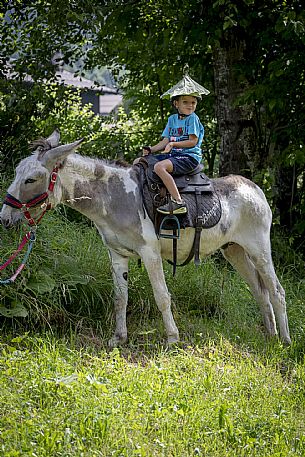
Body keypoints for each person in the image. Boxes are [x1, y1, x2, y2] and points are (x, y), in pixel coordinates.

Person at [138, 69, 210, 215]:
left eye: (193, 102)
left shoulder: (193, 119)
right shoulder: (172, 119)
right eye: (186, 102)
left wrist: (173, 144)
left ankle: (178, 202)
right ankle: (143, 197)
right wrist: (151, 149)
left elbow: (192, 142)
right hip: (174, 156)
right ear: (176, 103)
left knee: (159, 167)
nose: (190, 105)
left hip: (189, 157)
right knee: (139, 161)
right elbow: (165, 141)